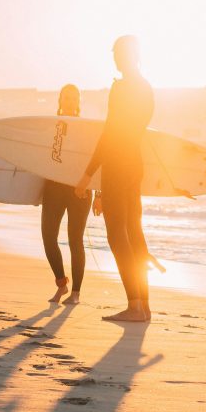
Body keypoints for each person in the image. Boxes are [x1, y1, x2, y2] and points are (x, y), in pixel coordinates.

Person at [78, 37, 154, 322]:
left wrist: (88, 175)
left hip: (117, 164)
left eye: (119, 54)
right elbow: (136, 130)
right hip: (135, 163)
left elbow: (110, 132)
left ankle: (134, 305)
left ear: (129, 55)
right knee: (134, 231)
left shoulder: (121, 88)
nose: (117, 59)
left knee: (116, 233)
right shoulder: (146, 88)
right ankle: (144, 305)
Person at [41, 84, 93, 305]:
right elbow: (39, 156)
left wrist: (99, 193)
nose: (70, 101)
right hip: (53, 186)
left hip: (79, 189)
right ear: (60, 100)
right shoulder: (50, 126)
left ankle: (76, 293)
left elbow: (96, 160)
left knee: (75, 241)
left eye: (74, 98)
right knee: (48, 237)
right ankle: (62, 285)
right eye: (66, 97)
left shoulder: (87, 128)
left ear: (78, 102)